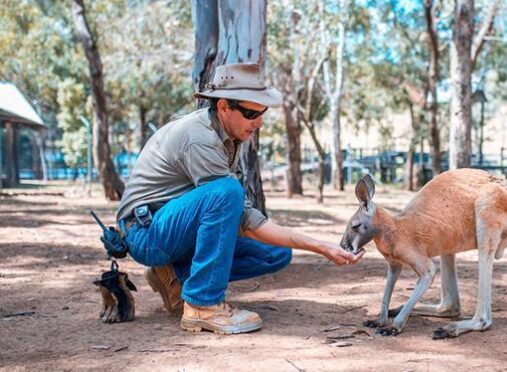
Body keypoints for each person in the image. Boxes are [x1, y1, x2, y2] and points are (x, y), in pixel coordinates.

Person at [116, 63, 363, 335]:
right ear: (223, 106)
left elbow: (238, 217)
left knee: (275, 253)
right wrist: (321, 247)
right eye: (250, 113)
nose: (258, 122)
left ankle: (175, 275)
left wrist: (321, 246)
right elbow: (238, 214)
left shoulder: (227, 135)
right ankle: (202, 304)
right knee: (227, 192)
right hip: (147, 234)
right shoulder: (200, 139)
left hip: (172, 231)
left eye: (262, 113)